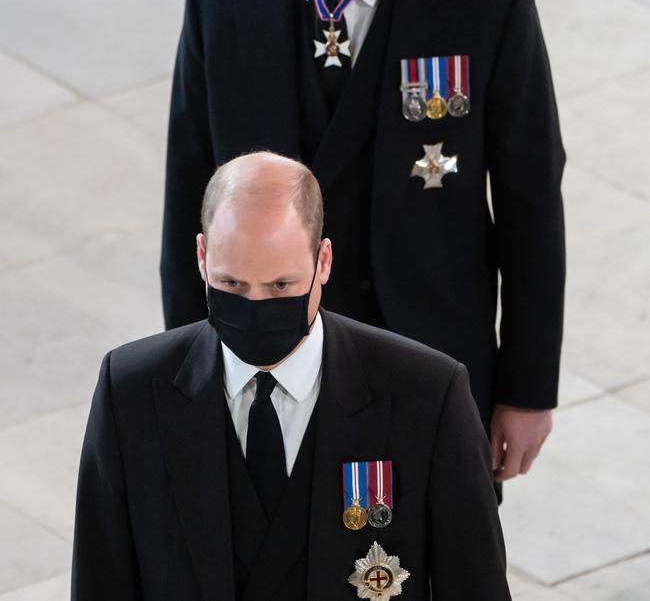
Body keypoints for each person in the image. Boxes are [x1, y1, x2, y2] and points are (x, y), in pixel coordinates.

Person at [161, 0, 565, 486]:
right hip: (265, 370)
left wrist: (528, 388)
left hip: (431, 368)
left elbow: (532, 205)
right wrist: (187, 373)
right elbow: (188, 194)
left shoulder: (485, 2)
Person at [73, 152, 511, 600]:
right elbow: (100, 580)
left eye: (281, 286)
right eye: (233, 285)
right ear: (202, 257)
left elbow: (476, 587)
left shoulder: (428, 395)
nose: (256, 307)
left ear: (323, 261)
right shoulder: (129, 392)